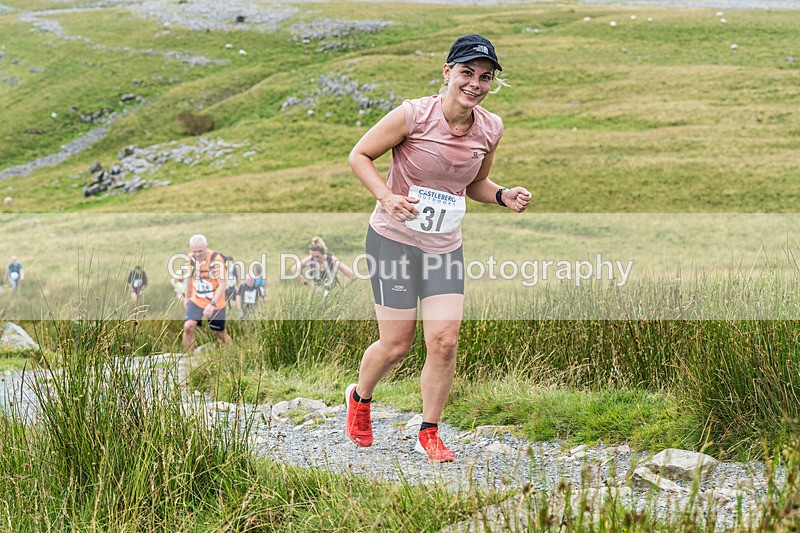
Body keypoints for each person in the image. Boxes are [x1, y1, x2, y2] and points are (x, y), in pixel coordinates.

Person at [346, 34, 531, 462]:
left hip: (444, 248)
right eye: (467, 73)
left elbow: (475, 184)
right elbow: (359, 155)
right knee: (396, 345)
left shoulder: (491, 127)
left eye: (485, 77)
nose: (475, 84)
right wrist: (386, 197)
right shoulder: (414, 115)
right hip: (392, 240)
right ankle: (360, 398)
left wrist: (504, 195)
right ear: (447, 72)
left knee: (445, 342)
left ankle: (429, 431)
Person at [182, 234, 231, 351]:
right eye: (194, 251)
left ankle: (231, 352)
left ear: (206, 247)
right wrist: (186, 296)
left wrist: (212, 304)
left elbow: (222, 284)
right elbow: (188, 278)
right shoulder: (190, 258)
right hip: (197, 299)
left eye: (200, 251)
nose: (197, 254)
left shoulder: (216, 259)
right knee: (188, 327)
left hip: (216, 301)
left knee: (219, 333)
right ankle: (187, 358)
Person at [291, 236, 356, 297]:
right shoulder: (311, 258)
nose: (315, 259)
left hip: (334, 293)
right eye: (313, 256)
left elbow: (352, 275)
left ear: (323, 254)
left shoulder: (332, 259)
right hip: (318, 294)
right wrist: (309, 285)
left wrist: (342, 288)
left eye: (317, 257)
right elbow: (294, 269)